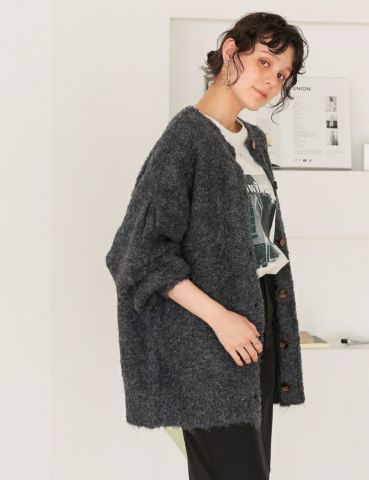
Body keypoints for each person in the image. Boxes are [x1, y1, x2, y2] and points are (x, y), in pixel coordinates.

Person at [105, 11, 308, 480]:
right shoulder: (187, 138)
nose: (272, 81)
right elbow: (136, 254)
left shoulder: (253, 141)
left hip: (256, 326)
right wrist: (221, 319)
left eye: (282, 75)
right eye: (264, 62)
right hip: (210, 338)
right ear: (231, 50)